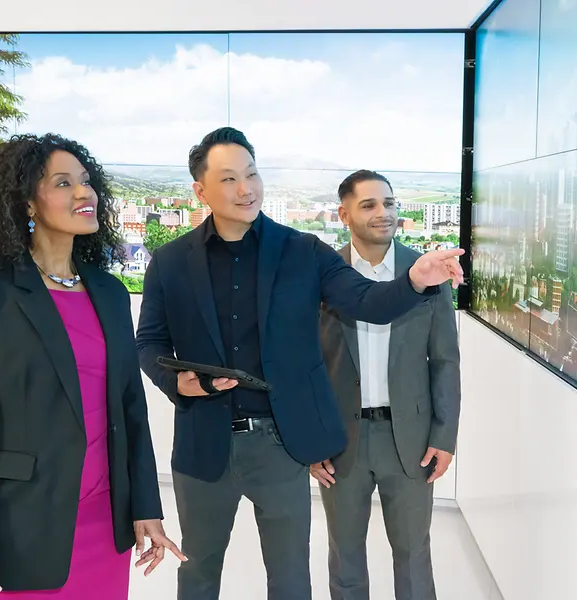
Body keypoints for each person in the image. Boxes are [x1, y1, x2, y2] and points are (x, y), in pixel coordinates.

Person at [135, 127, 464, 600]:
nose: (245, 188)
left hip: (280, 443)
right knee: (199, 571)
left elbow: (367, 300)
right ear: (200, 190)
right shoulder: (169, 262)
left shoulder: (304, 251)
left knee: (290, 580)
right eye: (229, 179)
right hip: (201, 443)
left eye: (251, 174)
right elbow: (149, 342)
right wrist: (176, 382)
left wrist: (413, 279)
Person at [0, 133, 185, 600]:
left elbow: (131, 411)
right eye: (63, 182)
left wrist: (145, 508)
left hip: (103, 524)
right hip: (19, 528)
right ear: (28, 203)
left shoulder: (111, 292)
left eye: (86, 181)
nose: (84, 192)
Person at [312, 170, 461, 600]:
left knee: (414, 555)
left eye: (389, 203)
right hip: (340, 443)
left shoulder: (426, 273)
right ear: (344, 214)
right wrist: (310, 440)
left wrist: (444, 436)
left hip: (412, 443)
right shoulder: (323, 276)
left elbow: (445, 362)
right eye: (369, 205)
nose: (384, 213)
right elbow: (308, 364)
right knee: (345, 557)